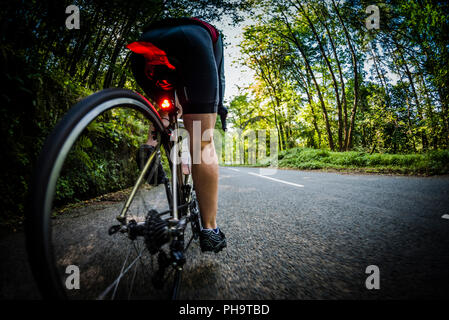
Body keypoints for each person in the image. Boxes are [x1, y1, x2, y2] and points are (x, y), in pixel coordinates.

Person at [128, 17, 227, 253]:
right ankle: (210, 231)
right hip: (193, 43)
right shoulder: (214, 34)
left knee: (166, 106)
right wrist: (219, 109)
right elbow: (219, 84)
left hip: (145, 45)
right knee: (202, 140)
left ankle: (152, 144)